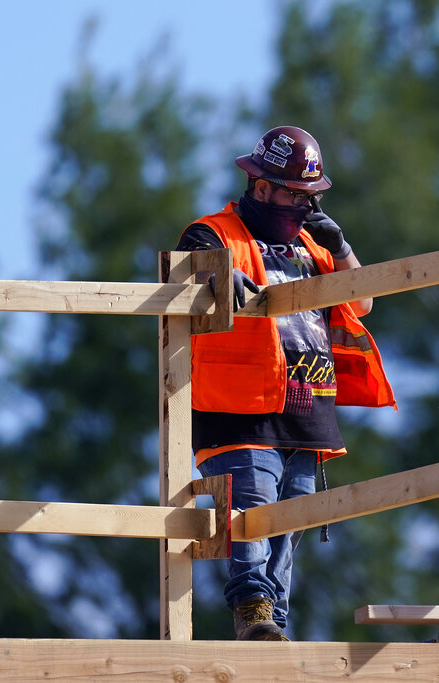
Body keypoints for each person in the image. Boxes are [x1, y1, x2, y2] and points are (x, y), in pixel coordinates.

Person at [176, 125, 395, 640]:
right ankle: (252, 608)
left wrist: (340, 246)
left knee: (291, 521)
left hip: (306, 409)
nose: (302, 207)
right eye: (294, 195)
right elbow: (190, 269)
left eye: (310, 198)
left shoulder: (313, 247)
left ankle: (273, 621)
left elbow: (361, 302)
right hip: (239, 408)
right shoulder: (213, 233)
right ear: (261, 187)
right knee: (254, 508)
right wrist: (218, 276)